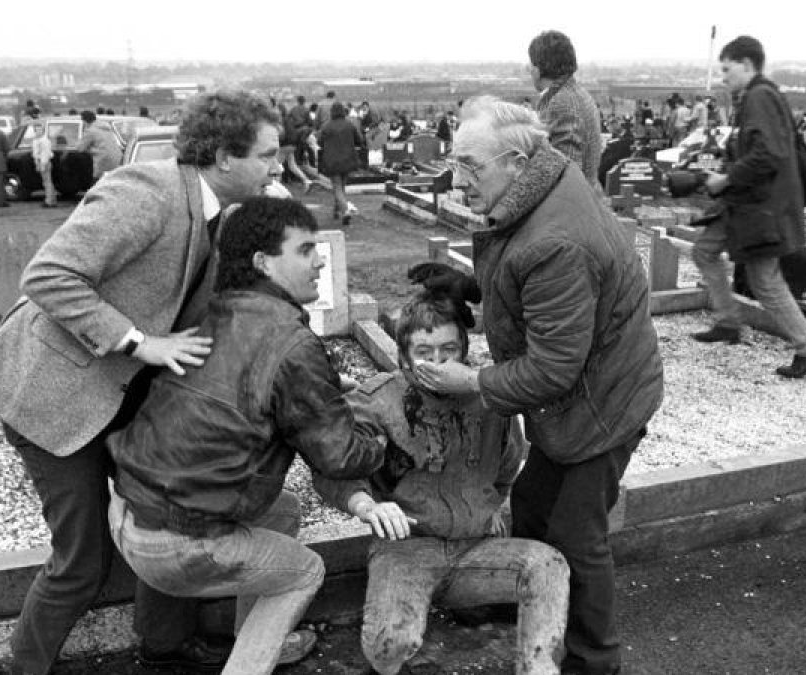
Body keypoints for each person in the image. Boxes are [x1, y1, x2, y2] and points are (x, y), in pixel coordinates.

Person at [0, 91, 289, 675]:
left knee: (171, 509)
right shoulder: (148, 191)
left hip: (122, 396)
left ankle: (163, 648)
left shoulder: (220, 212)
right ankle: (24, 667)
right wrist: (142, 342)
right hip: (55, 399)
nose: (279, 166)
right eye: (268, 155)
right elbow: (48, 274)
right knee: (82, 562)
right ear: (222, 156)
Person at [414, 95, 663, 675]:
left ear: (517, 159)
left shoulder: (556, 239)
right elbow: (526, 278)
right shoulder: (542, 187)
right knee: (530, 502)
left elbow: (553, 369)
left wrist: (469, 380)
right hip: (587, 392)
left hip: (601, 407)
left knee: (578, 535)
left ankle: (594, 659)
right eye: (457, 162)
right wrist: (471, 284)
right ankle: (517, 597)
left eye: (471, 166)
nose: (457, 178)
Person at [107, 196, 386, 675]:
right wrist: (381, 419)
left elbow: (248, 382)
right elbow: (342, 457)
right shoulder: (291, 342)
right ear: (263, 262)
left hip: (125, 513)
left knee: (286, 510)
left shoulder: (222, 310)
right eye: (304, 249)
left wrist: (323, 388)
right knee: (305, 571)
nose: (319, 259)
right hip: (176, 546)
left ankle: (250, 635)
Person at [315, 289, 570, 675]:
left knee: (548, 565)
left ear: (464, 351)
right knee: (389, 646)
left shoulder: (489, 398)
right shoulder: (377, 401)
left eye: (449, 349)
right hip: (407, 553)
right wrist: (368, 506)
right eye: (423, 352)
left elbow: (508, 464)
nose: (437, 361)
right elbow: (331, 468)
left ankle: (538, 668)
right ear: (403, 357)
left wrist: (494, 506)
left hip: (477, 549)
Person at [693, 35, 806, 379]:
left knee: (765, 280)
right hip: (746, 203)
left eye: (726, 69)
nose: (723, 77)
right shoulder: (760, 95)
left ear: (747, 64)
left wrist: (724, 180)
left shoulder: (759, 97)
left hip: (760, 208)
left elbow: (767, 155)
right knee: (705, 250)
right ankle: (727, 321)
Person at [528, 30, 604, 188]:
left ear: (538, 69)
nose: (529, 69)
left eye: (531, 63)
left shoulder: (562, 102)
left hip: (569, 206)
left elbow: (565, 175)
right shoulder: (575, 93)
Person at [318, 102, 365, 224]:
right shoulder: (349, 124)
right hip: (348, 160)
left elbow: (320, 142)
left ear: (332, 112)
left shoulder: (327, 126)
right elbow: (359, 140)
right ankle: (337, 210)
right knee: (342, 186)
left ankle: (344, 210)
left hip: (333, 161)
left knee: (337, 187)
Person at [75, 110, 122, 181]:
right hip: (117, 159)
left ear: (84, 121)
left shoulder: (90, 131)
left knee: (97, 182)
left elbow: (80, 148)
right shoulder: (106, 128)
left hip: (103, 159)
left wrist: (88, 149)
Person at [29, 119, 57, 208]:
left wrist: (42, 164)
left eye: (40, 130)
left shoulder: (44, 141)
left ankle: (49, 201)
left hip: (44, 161)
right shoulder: (38, 140)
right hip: (41, 161)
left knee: (47, 182)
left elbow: (46, 153)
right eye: (37, 130)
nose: (38, 131)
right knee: (47, 182)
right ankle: (51, 200)